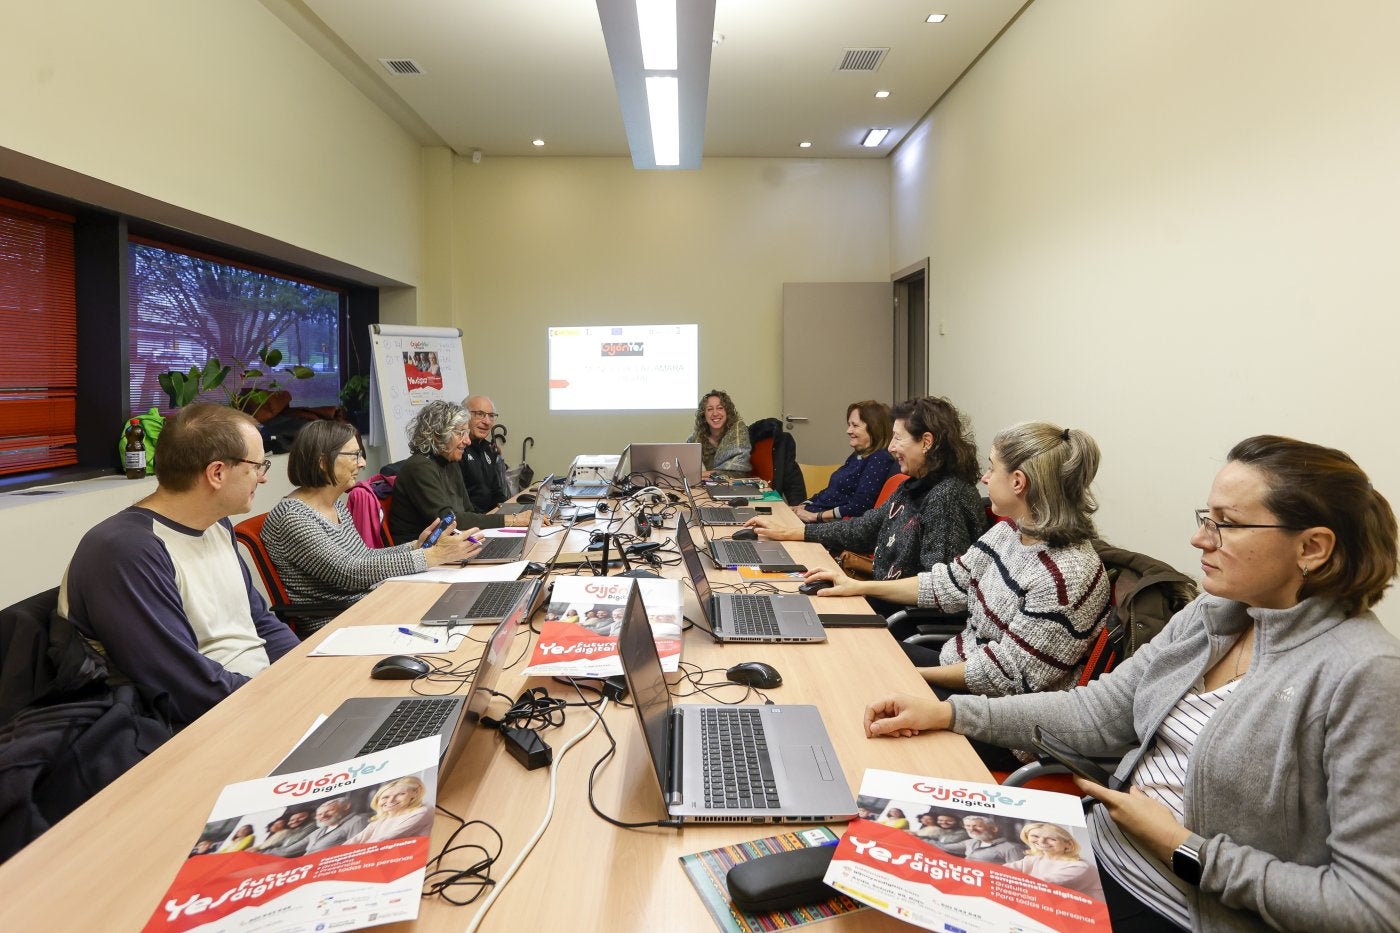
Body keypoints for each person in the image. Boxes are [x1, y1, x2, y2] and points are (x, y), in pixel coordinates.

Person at [863, 435, 1400, 932]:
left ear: (1312, 548)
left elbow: (1370, 906)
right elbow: (1099, 712)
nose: (1199, 538)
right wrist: (953, 713)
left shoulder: (1365, 676)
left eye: (1226, 524)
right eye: (1205, 518)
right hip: (1093, 845)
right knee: (875, 859)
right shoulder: (1219, 614)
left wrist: (1181, 845)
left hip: (1173, 900)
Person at [809, 422, 1110, 702]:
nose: (985, 477)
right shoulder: (1010, 532)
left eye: (992, 468)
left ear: (1018, 482)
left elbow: (1003, 677)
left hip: (997, 712)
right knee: (847, 658)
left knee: (856, 690)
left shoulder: (1067, 575)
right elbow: (946, 583)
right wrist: (856, 587)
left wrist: (909, 677)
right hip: (959, 668)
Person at [58, 402, 299, 730]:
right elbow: (184, 688)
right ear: (217, 473)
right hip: (208, 726)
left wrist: (307, 671)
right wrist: (285, 701)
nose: (264, 478)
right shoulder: (126, 551)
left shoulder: (216, 524)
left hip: (257, 699)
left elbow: (258, 621)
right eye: (258, 466)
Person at [745, 396, 987, 615]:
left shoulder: (947, 498)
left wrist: (859, 587)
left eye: (898, 438)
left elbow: (937, 589)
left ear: (926, 441)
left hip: (901, 618)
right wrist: (791, 532)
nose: (891, 447)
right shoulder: (914, 486)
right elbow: (863, 529)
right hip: (881, 598)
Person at [261, 422, 481, 622]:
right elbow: (349, 572)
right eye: (355, 455)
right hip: (339, 621)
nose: (363, 463)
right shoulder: (293, 517)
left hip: (370, 604)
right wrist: (433, 556)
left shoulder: (334, 504)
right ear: (322, 462)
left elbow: (363, 557)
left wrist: (416, 547)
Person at [388, 400, 532, 544]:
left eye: (467, 433)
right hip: (421, 553)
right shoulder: (419, 467)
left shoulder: (450, 461)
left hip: (450, 543)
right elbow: (449, 520)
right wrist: (513, 519)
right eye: (461, 433)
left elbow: (468, 511)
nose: (468, 441)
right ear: (438, 435)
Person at [794, 400, 898, 523]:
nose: (848, 431)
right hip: (816, 514)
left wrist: (815, 516)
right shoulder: (858, 456)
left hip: (832, 525)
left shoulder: (879, 459)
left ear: (874, 428)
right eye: (849, 425)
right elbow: (831, 491)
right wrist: (803, 505)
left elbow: (860, 507)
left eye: (855, 425)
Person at [1004, 822, 1106, 900]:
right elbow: (1002, 870)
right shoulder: (1033, 859)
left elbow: (1040, 886)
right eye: (1035, 836)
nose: (1041, 841)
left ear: (1068, 844)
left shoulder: (1080, 867)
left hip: (1086, 917)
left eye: (1051, 839)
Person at [458, 395, 511, 512]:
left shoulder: (488, 448)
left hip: (489, 518)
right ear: (464, 416)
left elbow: (496, 492)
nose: (487, 422)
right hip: (472, 523)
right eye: (480, 414)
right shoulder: (457, 451)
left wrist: (510, 512)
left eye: (491, 416)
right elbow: (460, 506)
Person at [347, 776, 435, 844]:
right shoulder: (382, 819)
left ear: (415, 793)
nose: (390, 801)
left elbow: (386, 839)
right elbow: (356, 839)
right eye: (385, 797)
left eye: (400, 794)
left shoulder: (422, 812)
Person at [687, 389, 751, 479]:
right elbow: (687, 469)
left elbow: (739, 469)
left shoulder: (738, 429)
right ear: (704, 415)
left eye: (720, 408)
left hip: (735, 485)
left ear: (727, 412)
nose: (715, 413)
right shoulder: (696, 439)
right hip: (708, 485)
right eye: (709, 409)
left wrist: (704, 474)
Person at [281, 797, 369, 856]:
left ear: (346, 807)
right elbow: (289, 850)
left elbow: (357, 850)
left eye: (328, 811)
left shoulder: (357, 820)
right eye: (319, 814)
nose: (323, 816)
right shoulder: (320, 830)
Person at [960, 815, 1026, 864]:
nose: (971, 829)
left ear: (994, 829)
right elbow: (949, 848)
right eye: (968, 826)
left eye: (978, 826)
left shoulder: (1011, 848)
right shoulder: (971, 842)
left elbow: (1019, 873)